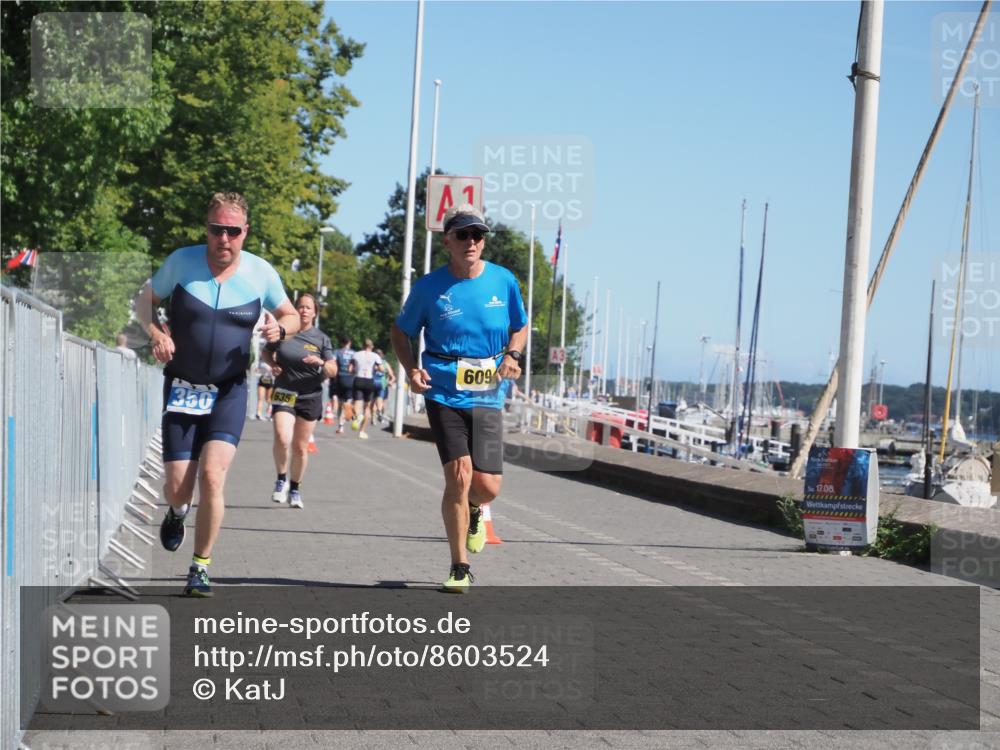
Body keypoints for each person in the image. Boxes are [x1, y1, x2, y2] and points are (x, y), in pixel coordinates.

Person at [134, 192, 299, 597]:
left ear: (245, 233)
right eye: (216, 229)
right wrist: (155, 332)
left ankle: (200, 566)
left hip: (229, 390)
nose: (223, 239)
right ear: (206, 229)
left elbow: (291, 314)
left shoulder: (261, 273)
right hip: (183, 387)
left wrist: (282, 329)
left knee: (213, 475)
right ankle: (176, 512)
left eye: (232, 231)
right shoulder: (181, 262)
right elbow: (144, 300)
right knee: (178, 487)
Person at [391, 205, 527, 593]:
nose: (472, 242)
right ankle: (459, 566)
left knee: (488, 487)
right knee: (459, 474)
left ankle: (475, 510)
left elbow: (520, 325)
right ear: (447, 240)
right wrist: (411, 368)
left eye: (478, 235)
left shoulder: (503, 281)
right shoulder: (429, 288)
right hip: (444, 390)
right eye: (464, 235)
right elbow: (401, 332)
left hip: (487, 393)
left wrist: (514, 355)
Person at [264, 293, 336, 508]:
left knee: (300, 447)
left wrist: (321, 362)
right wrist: (272, 365)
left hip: (310, 395)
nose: (304, 310)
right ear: (295, 311)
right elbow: (266, 353)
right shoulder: (283, 332)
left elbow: (333, 370)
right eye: (300, 307)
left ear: (315, 313)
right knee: (282, 436)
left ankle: (295, 489)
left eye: (308, 307)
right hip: (285, 390)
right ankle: (280, 479)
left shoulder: (321, 338)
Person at [350, 339, 382, 439]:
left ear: (363, 346)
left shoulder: (355, 354)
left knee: (357, 404)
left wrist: (354, 373)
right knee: (367, 407)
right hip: (369, 380)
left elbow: (350, 369)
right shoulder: (375, 356)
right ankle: (362, 431)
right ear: (371, 347)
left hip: (358, 379)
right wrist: (376, 369)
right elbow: (381, 369)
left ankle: (358, 416)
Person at [331, 336, 356, 434]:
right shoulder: (354, 353)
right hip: (350, 379)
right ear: (349, 342)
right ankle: (350, 414)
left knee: (340, 403)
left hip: (340, 378)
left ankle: (340, 426)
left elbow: (333, 363)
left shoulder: (337, 352)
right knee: (348, 402)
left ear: (342, 343)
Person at [373, 348, 396, 424]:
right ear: (382, 355)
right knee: (382, 401)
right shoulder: (385, 363)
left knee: (374, 401)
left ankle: (374, 418)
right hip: (382, 384)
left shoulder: (372, 362)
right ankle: (379, 415)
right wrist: (390, 382)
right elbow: (392, 376)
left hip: (372, 382)